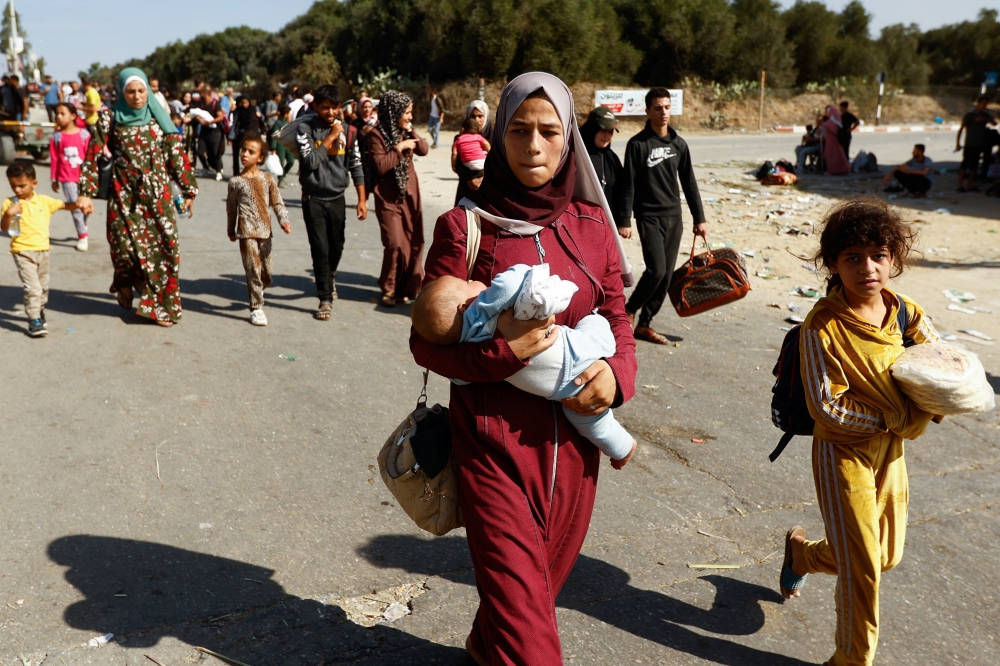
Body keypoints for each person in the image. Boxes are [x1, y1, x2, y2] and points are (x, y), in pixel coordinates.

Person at [410, 72, 636, 666]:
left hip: (577, 457)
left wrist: (617, 379)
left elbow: (616, 317)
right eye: (518, 130)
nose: (533, 145)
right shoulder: (464, 227)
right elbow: (425, 345)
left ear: (569, 139)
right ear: (498, 138)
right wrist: (506, 352)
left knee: (529, 600)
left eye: (548, 131)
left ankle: (483, 648)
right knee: (531, 637)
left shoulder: (592, 224)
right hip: (494, 449)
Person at [780, 197, 938, 666]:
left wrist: (946, 398)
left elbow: (940, 368)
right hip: (843, 455)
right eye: (853, 257)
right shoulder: (821, 326)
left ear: (893, 259)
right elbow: (828, 408)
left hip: (891, 454)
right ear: (833, 263)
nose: (867, 268)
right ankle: (850, 659)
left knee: (885, 556)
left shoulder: (906, 313)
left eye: (878, 255)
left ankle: (804, 556)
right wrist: (897, 419)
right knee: (863, 567)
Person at [412, 266, 637, 466]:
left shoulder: (464, 347)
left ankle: (622, 448)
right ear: (464, 306)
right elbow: (510, 284)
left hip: (559, 391)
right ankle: (622, 447)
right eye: (466, 283)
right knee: (594, 320)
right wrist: (525, 270)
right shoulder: (480, 309)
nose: (471, 280)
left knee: (588, 421)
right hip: (579, 352)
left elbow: (459, 376)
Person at [77, 68, 198, 328]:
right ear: (122, 92)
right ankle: (125, 282)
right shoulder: (110, 117)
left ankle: (162, 308)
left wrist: (189, 190)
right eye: (130, 91)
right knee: (123, 248)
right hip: (123, 192)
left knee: (165, 249)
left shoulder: (159, 117)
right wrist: (85, 192)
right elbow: (92, 152)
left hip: (157, 194)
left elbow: (175, 154)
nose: (137, 96)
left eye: (142, 91)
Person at [615, 86, 708, 345]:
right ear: (647, 111)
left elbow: (689, 183)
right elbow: (628, 184)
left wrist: (699, 218)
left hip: (673, 216)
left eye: (667, 107)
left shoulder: (679, 144)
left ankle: (645, 324)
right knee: (656, 270)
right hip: (648, 216)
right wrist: (625, 219)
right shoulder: (637, 144)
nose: (664, 112)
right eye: (658, 108)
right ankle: (629, 310)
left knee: (666, 276)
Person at [295, 84, 368, 319]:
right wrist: (331, 137)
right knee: (320, 248)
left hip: (337, 197)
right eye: (325, 107)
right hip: (312, 198)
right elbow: (310, 162)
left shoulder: (350, 132)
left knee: (337, 245)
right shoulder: (305, 129)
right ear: (316, 106)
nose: (330, 112)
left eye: (334, 108)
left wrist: (362, 199)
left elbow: (356, 165)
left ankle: (331, 275)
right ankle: (325, 298)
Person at [0, 162, 81, 337]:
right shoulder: (9, 203)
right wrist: (9, 214)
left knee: (43, 286)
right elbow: (4, 228)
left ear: (34, 183)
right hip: (22, 251)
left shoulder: (44, 201)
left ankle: (39, 309)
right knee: (33, 287)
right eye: (13, 186)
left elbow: (65, 205)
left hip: (43, 250)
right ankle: (34, 319)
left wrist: (80, 203)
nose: (17, 190)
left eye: (22, 186)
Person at [368, 91, 428, 307]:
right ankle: (389, 287)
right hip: (387, 197)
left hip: (410, 193)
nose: (410, 116)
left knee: (413, 240)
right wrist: (399, 148)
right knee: (394, 243)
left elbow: (423, 150)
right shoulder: (375, 136)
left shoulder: (406, 132)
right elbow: (381, 166)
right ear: (394, 113)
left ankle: (406, 288)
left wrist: (411, 131)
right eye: (407, 113)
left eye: (411, 112)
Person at [227, 134, 291, 326]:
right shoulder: (235, 182)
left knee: (267, 271)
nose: (245, 154)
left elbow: (277, 202)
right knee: (252, 269)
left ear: (260, 158)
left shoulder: (267, 179)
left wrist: (283, 220)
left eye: (251, 152)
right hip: (246, 232)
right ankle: (256, 308)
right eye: (243, 150)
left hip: (265, 231)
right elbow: (231, 209)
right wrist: (231, 229)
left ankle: (260, 288)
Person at [49, 103, 91, 251]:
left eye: (62, 113)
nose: (59, 117)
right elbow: (54, 158)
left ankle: (83, 224)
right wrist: (54, 179)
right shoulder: (56, 137)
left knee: (85, 206)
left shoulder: (84, 135)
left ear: (73, 116)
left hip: (84, 177)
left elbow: (90, 158)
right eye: (57, 114)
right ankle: (82, 235)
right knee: (75, 205)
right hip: (67, 177)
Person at [580, 106, 622, 220]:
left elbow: (620, 193)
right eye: (603, 130)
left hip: (607, 222)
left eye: (610, 131)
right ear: (592, 129)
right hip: (582, 220)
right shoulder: (577, 155)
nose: (607, 135)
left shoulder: (612, 159)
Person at [451, 100, 492, 205]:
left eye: (480, 116)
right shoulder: (459, 138)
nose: (476, 120)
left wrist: (482, 179)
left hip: (490, 190)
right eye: (473, 116)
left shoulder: (495, 137)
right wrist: (471, 178)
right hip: (466, 188)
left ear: (486, 117)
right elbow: (458, 165)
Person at [956, 96, 996, 192]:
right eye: (983, 103)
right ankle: (960, 185)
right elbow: (961, 129)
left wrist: (984, 119)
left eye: (986, 104)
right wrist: (958, 143)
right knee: (965, 164)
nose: (984, 106)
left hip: (979, 144)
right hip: (970, 143)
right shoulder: (970, 116)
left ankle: (970, 184)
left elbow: (994, 123)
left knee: (974, 165)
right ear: (978, 103)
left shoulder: (986, 115)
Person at [190, 92, 227, 180]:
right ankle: (206, 167)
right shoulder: (201, 104)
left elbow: (220, 117)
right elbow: (197, 115)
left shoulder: (215, 104)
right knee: (200, 151)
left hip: (215, 132)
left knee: (215, 152)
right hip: (204, 131)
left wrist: (210, 122)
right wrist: (200, 120)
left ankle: (219, 170)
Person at [452, 116, 490, 190]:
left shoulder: (459, 139)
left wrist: (453, 166)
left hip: (468, 165)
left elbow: (454, 153)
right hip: (482, 163)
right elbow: (486, 144)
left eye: (480, 116)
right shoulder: (479, 137)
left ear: (462, 129)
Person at [231, 96, 262, 177]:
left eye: (246, 103)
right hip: (241, 135)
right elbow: (234, 124)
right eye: (243, 103)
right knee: (237, 155)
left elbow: (261, 121)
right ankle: (236, 174)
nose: (244, 104)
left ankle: (251, 172)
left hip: (254, 136)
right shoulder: (238, 111)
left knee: (253, 155)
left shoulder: (254, 109)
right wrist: (231, 136)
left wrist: (260, 116)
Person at [819, 106, 851, 175]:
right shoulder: (834, 118)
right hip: (831, 140)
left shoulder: (833, 119)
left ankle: (833, 170)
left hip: (833, 140)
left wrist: (823, 123)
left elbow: (828, 125)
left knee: (832, 156)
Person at [269, 104, 295, 187]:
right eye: (289, 113)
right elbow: (274, 136)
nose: (290, 115)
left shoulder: (288, 122)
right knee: (281, 163)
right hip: (280, 145)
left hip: (288, 144)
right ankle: (281, 180)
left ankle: (283, 175)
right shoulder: (278, 123)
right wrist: (273, 148)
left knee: (291, 161)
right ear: (286, 114)